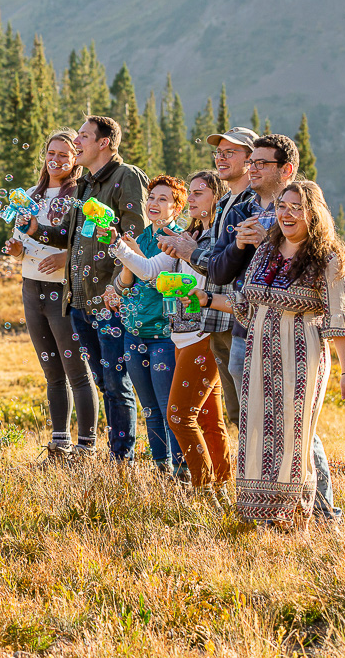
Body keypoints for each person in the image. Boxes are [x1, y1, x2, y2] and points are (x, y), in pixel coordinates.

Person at [206, 134, 341, 522]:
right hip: (245, 326)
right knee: (250, 418)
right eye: (252, 163)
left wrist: (274, 236)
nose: (252, 169)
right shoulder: (239, 211)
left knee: (295, 422)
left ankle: (320, 506)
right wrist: (240, 247)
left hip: (294, 335)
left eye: (261, 163)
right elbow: (217, 271)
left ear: (287, 169)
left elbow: (324, 268)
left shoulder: (302, 212)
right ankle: (269, 505)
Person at [232, 181, 345, 530]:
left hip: (302, 356)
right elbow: (245, 306)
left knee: (294, 434)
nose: (286, 214)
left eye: (296, 207)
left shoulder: (328, 257)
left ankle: (302, 515)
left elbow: (339, 320)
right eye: (282, 206)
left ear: (313, 212)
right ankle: (263, 515)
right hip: (259, 355)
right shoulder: (265, 251)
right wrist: (203, 298)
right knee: (257, 427)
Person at [113, 171, 234, 499]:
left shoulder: (217, 238)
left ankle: (201, 488)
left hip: (202, 335)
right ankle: (222, 489)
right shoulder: (190, 234)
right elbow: (151, 271)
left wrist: (192, 288)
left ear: (217, 199)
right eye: (190, 192)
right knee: (208, 419)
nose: (192, 198)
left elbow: (215, 279)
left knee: (179, 415)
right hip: (181, 337)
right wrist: (121, 248)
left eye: (199, 193)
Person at [2, 129, 96, 459]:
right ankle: (59, 446)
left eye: (64, 155)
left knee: (77, 372)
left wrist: (65, 256)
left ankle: (86, 450)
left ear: (76, 160)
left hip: (64, 290)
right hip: (31, 288)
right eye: (51, 153)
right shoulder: (29, 193)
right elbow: (19, 244)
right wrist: (14, 248)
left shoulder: (81, 197)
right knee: (51, 371)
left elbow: (90, 244)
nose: (55, 160)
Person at [156, 127, 257, 425]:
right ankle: (244, 473)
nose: (221, 158)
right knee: (237, 414)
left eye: (231, 152)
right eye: (219, 152)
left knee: (259, 412)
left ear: (251, 159)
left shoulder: (251, 204)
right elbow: (217, 265)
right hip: (215, 319)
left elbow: (226, 265)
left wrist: (190, 252)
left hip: (238, 318)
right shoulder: (226, 205)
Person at [61, 116, 149, 461]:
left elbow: (137, 239)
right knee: (103, 382)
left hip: (112, 301)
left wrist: (117, 289)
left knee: (117, 385)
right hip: (82, 301)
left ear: (104, 143)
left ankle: (121, 460)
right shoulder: (83, 184)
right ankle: (117, 453)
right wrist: (33, 227)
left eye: (83, 136)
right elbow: (74, 237)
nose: (75, 142)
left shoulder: (127, 177)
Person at [105, 175, 187, 475]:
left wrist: (129, 253)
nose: (154, 203)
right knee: (150, 409)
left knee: (169, 409)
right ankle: (161, 466)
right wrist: (124, 267)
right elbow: (128, 284)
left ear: (176, 209)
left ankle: (181, 469)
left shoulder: (178, 240)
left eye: (163, 199)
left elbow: (155, 277)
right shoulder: (142, 237)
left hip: (164, 333)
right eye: (151, 197)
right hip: (133, 330)